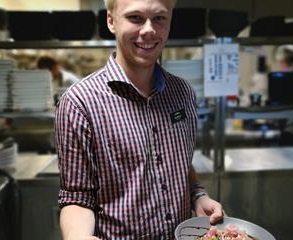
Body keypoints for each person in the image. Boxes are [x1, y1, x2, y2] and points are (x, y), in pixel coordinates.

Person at [55, 0, 224, 239]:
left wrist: (198, 195)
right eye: (135, 18)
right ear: (111, 20)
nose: (148, 30)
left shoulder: (182, 93)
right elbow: (77, 197)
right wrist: (78, 236)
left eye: (159, 18)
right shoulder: (79, 103)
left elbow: (178, 161)